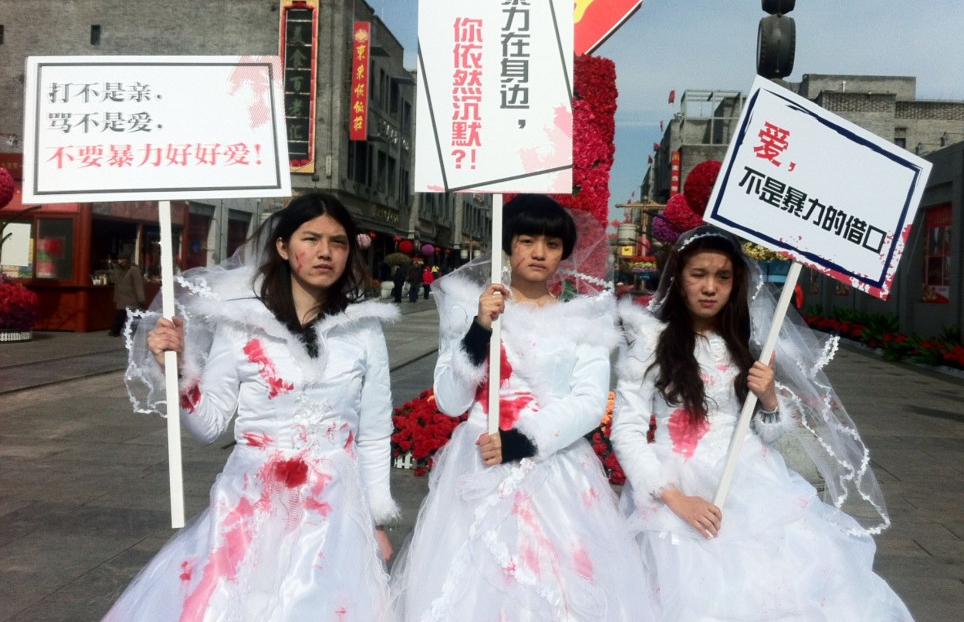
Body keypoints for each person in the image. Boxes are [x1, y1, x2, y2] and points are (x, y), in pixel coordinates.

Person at [105, 193, 399, 621]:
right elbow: (209, 425)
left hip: (334, 511)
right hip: (250, 503)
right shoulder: (241, 325)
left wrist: (377, 519)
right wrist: (179, 368)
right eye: (311, 239)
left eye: (338, 242)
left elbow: (374, 432)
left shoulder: (365, 329)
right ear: (282, 247)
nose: (324, 252)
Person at [612, 225, 914, 621]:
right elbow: (627, 433)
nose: (709, 287)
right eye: (698, 274)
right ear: (678, 277)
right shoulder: (651, 342)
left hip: (752, 478)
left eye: (722, 277)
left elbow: (770, 431)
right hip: (676, 485)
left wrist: (770, 399)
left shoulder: (749, 344)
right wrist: (677, 501)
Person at [391, 194, 654, 621]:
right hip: (478, 461)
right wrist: (478, 330)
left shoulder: (583, 318)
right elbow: (450, 400)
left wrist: (522, 441)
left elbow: (588, 403)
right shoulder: (471, 309)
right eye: (527, 240)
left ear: (564, 252)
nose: (538, 253)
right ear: (508, 244)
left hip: (554, 465)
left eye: (551, 245)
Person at [109, 252, 146, 336]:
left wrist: (141, 299)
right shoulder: (118, 269)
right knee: (120, 316)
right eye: (119, 259)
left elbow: (138, 285)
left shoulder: (134, 270)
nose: (120, 261)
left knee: (134, 316)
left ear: (127, 260)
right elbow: (115, 283)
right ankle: (116, 331)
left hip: (132, 298)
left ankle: (135, 333)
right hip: (121, 298)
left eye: (122, 259)